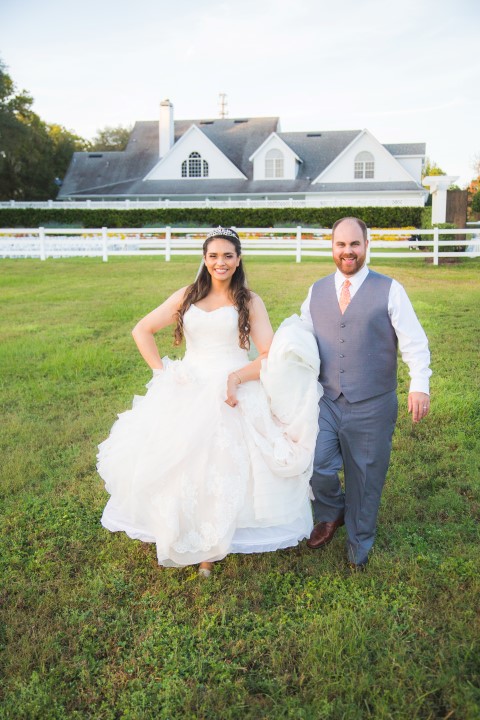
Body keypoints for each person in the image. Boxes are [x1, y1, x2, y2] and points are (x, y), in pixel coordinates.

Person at [98, 227, 320, 577]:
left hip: (233, 389)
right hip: (189, 384)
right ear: (205, 259)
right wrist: (162, 373)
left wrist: (236, 378)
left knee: (224, 462)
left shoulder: (249, 300)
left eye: (228, 256)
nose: (221, 262)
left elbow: (268, 356)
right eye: (214, 256)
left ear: (238, 259)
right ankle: (181, 528)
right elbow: (142, 330)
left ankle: (213, 545)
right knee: (182, 461)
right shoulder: (187, 296)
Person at [301, 217, 431, 570]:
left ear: (366, 246)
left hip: (373, 402)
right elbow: (301, 337)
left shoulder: (389, 289)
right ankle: (331, 512)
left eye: (354, 244)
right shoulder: (316, 291)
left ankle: (359, 541)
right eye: (341, 244)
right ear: (332, 247)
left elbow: (414, 341)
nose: (348, 251)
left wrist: (419, 384)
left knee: (365, 476)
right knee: (315, 463)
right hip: (327, 399)